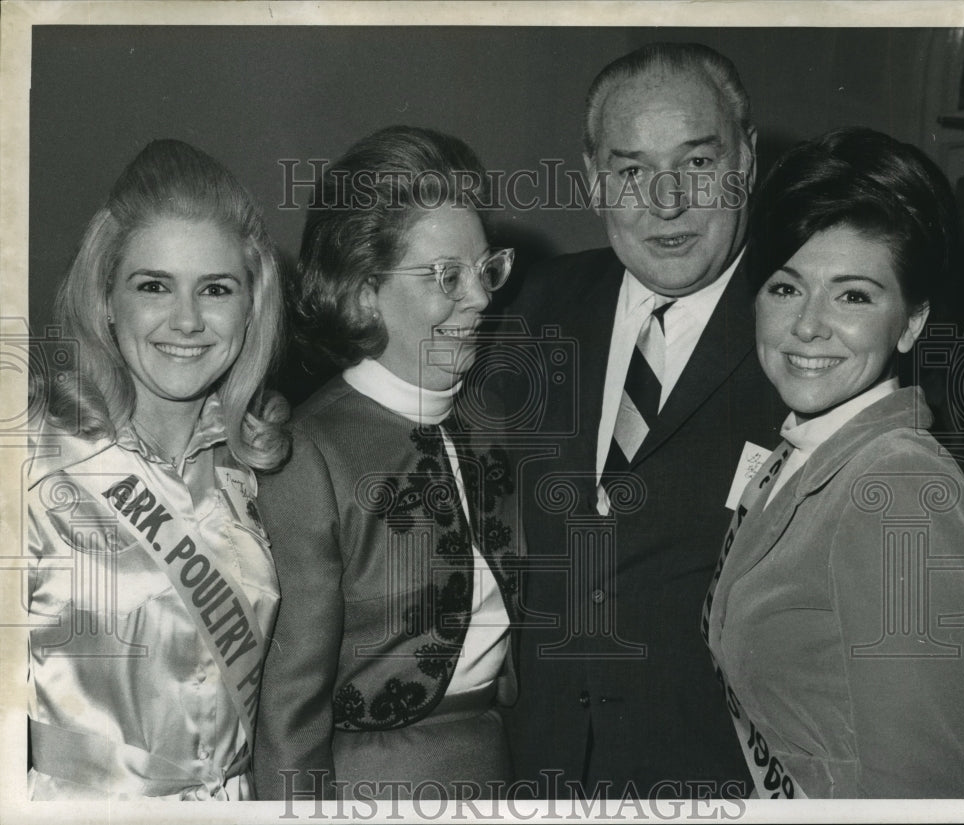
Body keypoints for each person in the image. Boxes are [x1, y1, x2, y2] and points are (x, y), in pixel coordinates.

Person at [501, 42, 784, 798]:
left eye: (697, 164)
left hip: (719, 782)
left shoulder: (807, 339)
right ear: (594, 180)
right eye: (631, 171)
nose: (666, 202)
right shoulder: (530, 311)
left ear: (747, 162)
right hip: (542, 776)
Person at [702, 127, 964, 799]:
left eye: (853, 295)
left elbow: (928, 785)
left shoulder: (898, 487)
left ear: (910, 323)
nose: (807, 326)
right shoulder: (799, 450)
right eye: (786, 288)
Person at [253, 125, 523, 802]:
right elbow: (289, 712)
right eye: (446, 277)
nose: (483, 299)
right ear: (363, 290)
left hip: (499, 768)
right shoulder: (310, 454)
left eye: (487, 269)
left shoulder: (490, 426)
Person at [26, 138, 289, 799]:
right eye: (154, 286)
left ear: (251, 305)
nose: (188, 321)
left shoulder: (260, 462)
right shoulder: (32, 454)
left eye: (217, 289)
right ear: (106, 296)